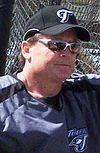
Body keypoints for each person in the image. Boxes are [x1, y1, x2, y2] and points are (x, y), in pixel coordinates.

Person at [0, 5, 100, 153]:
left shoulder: (88, 92)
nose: (67, 53)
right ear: (27, 50)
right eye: (57, 45)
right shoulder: (4, 100)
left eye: (73, 47)